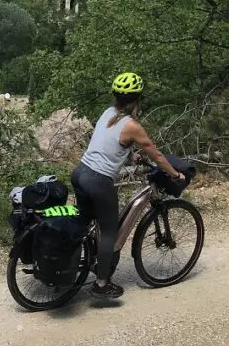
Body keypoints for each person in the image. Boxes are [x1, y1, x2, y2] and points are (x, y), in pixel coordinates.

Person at [71, 71, 186, 299]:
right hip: (98, 181)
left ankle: (72, 264)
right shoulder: (132, 125)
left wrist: (132, 156)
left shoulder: (108, 113)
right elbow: (158, 156)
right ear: (138, 99)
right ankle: (102, 284)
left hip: (80, 173)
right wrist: (175, 174)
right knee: (109, 233)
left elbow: (109, 142)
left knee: (84, 225)